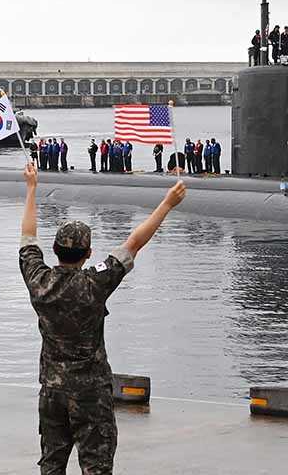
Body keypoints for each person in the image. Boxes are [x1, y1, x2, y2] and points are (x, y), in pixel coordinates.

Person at [19, 163, 186, 474]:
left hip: (52, 391)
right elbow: (134, 243)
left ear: (54, 250)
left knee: (51, 465)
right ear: (88, 253)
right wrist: (167, 203)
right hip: (90, 393)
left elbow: (28, 237)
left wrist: (31, 188)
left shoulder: (38, 281)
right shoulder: (95, 283)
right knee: (96, 466)